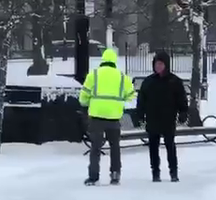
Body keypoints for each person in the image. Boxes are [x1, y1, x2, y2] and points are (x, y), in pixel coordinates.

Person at [80, 48, 136, 186]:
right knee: (114, 147)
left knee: (96, 148)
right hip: (114, 117)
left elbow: (83, 97)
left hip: (97, 116)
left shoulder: (94, 75)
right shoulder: (123, 77)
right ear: (114, 61)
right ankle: (115, 174)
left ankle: (93, 176)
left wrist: (87, 104)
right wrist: (120, 104)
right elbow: (132, 97)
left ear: (103, 60)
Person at [136, 51, 188, 182]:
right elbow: (141, 100)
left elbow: (182, 99)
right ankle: (155, 172)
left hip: (168, 119)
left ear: (166, 65)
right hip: (152, 119)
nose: (158, 67)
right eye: (156, 64)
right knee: (153, 147)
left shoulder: (174, 81)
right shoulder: (148, 82)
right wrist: (140, 115)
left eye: (160, 64)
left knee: (170, 146)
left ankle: (173, 172)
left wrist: (183, 113)